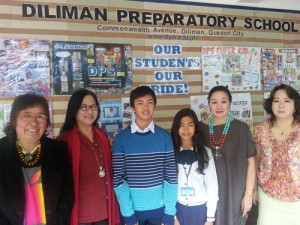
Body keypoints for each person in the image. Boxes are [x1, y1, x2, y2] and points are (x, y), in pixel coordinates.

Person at [0, 93, 74, 225]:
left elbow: (67, 194)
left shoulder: (59, 150)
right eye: (27, 115)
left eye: (40, 116)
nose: (33, 122)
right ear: (14, 120)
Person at [112, 86, 178, 225]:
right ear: (133, 108)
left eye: (150, 102)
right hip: (133, 214)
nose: (146, 107)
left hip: (160, 213)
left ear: (155, 105)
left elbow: (171, 177)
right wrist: (129, 215)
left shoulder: (165, 137)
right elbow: (119, 180)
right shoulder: (121, 139)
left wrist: (169, 213)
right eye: (140, 103)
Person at [56, 89, 120, 225]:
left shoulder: (102, 136)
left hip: (105, 210)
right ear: (74, 110)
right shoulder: (63, 140)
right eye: (83, 107)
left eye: (93, 107)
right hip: (80, 215)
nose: (89, 111)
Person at [199, 85, 256, 225]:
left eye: (223, 101)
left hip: (235, 191)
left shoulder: (241, 128)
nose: (219, 106)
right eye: (214, 102)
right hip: (206, 191)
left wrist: (249, 195)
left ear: (230, 104)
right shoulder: (199, 128)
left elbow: (251, 163)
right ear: (208, 105)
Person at [252, 84, 300, 225]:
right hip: (268, 195)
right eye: (276, 100)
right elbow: (255, 161)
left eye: (286, 101)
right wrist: (253, 189)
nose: (281, 105)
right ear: (271, 104)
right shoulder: (261, 129)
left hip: (297, 197)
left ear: (295, 104)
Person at [171, 108, 218, 225]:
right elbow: (167, 187)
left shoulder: (205, 153)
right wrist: (173, 215)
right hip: (178, 209)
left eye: (190, 125)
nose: (186, 130)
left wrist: (210, 218)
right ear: (176, 128)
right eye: (181, 125)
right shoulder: (171, 153)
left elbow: (212, 186)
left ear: (195, 127)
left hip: (200, 210)